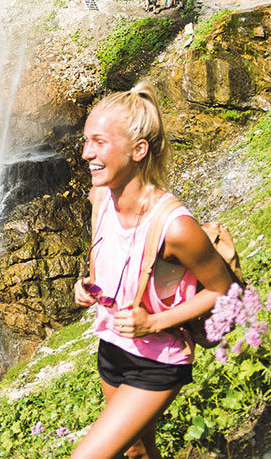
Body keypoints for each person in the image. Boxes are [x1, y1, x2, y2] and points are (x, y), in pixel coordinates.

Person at [72, 86, 236, 459]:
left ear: (138, 149)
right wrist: (86, 286)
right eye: (86, 141)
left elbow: (223, 291)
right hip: (113, 346)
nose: (86, 153)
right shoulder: (101, 198)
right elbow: (113, 255)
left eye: (98, 142)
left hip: (158, 359)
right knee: (136, 452)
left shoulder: (175, 228)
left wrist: (153, 323)